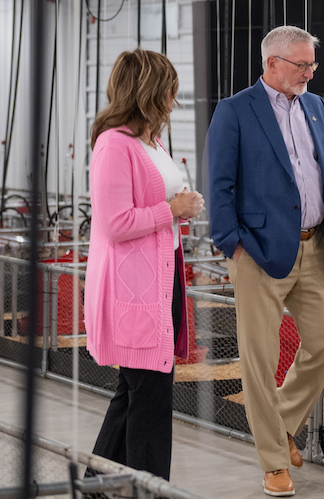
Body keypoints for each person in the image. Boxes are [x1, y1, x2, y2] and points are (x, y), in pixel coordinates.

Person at [206, 25, 324, 497]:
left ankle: (284, 422)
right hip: (258, 252)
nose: (310, 73)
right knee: (260, 358)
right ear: (272, 64)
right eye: (302, 65)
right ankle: (272, 459)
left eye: (313, 64)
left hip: (318, 245)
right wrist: (231, 242)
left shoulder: (314, 106)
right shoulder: (234, 112)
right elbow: (219, 183)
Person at [84, 48, 204, 480]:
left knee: (133, 392)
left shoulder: (149, 140)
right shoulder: (114, 145)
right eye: (170, 88)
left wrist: (176, 206)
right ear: (150, 91)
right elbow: (115, 223)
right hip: (133, 290)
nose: (175, 98)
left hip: (159, 280)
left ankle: (97, 482)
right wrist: (173, 208)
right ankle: (149, 489)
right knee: (149, 397)